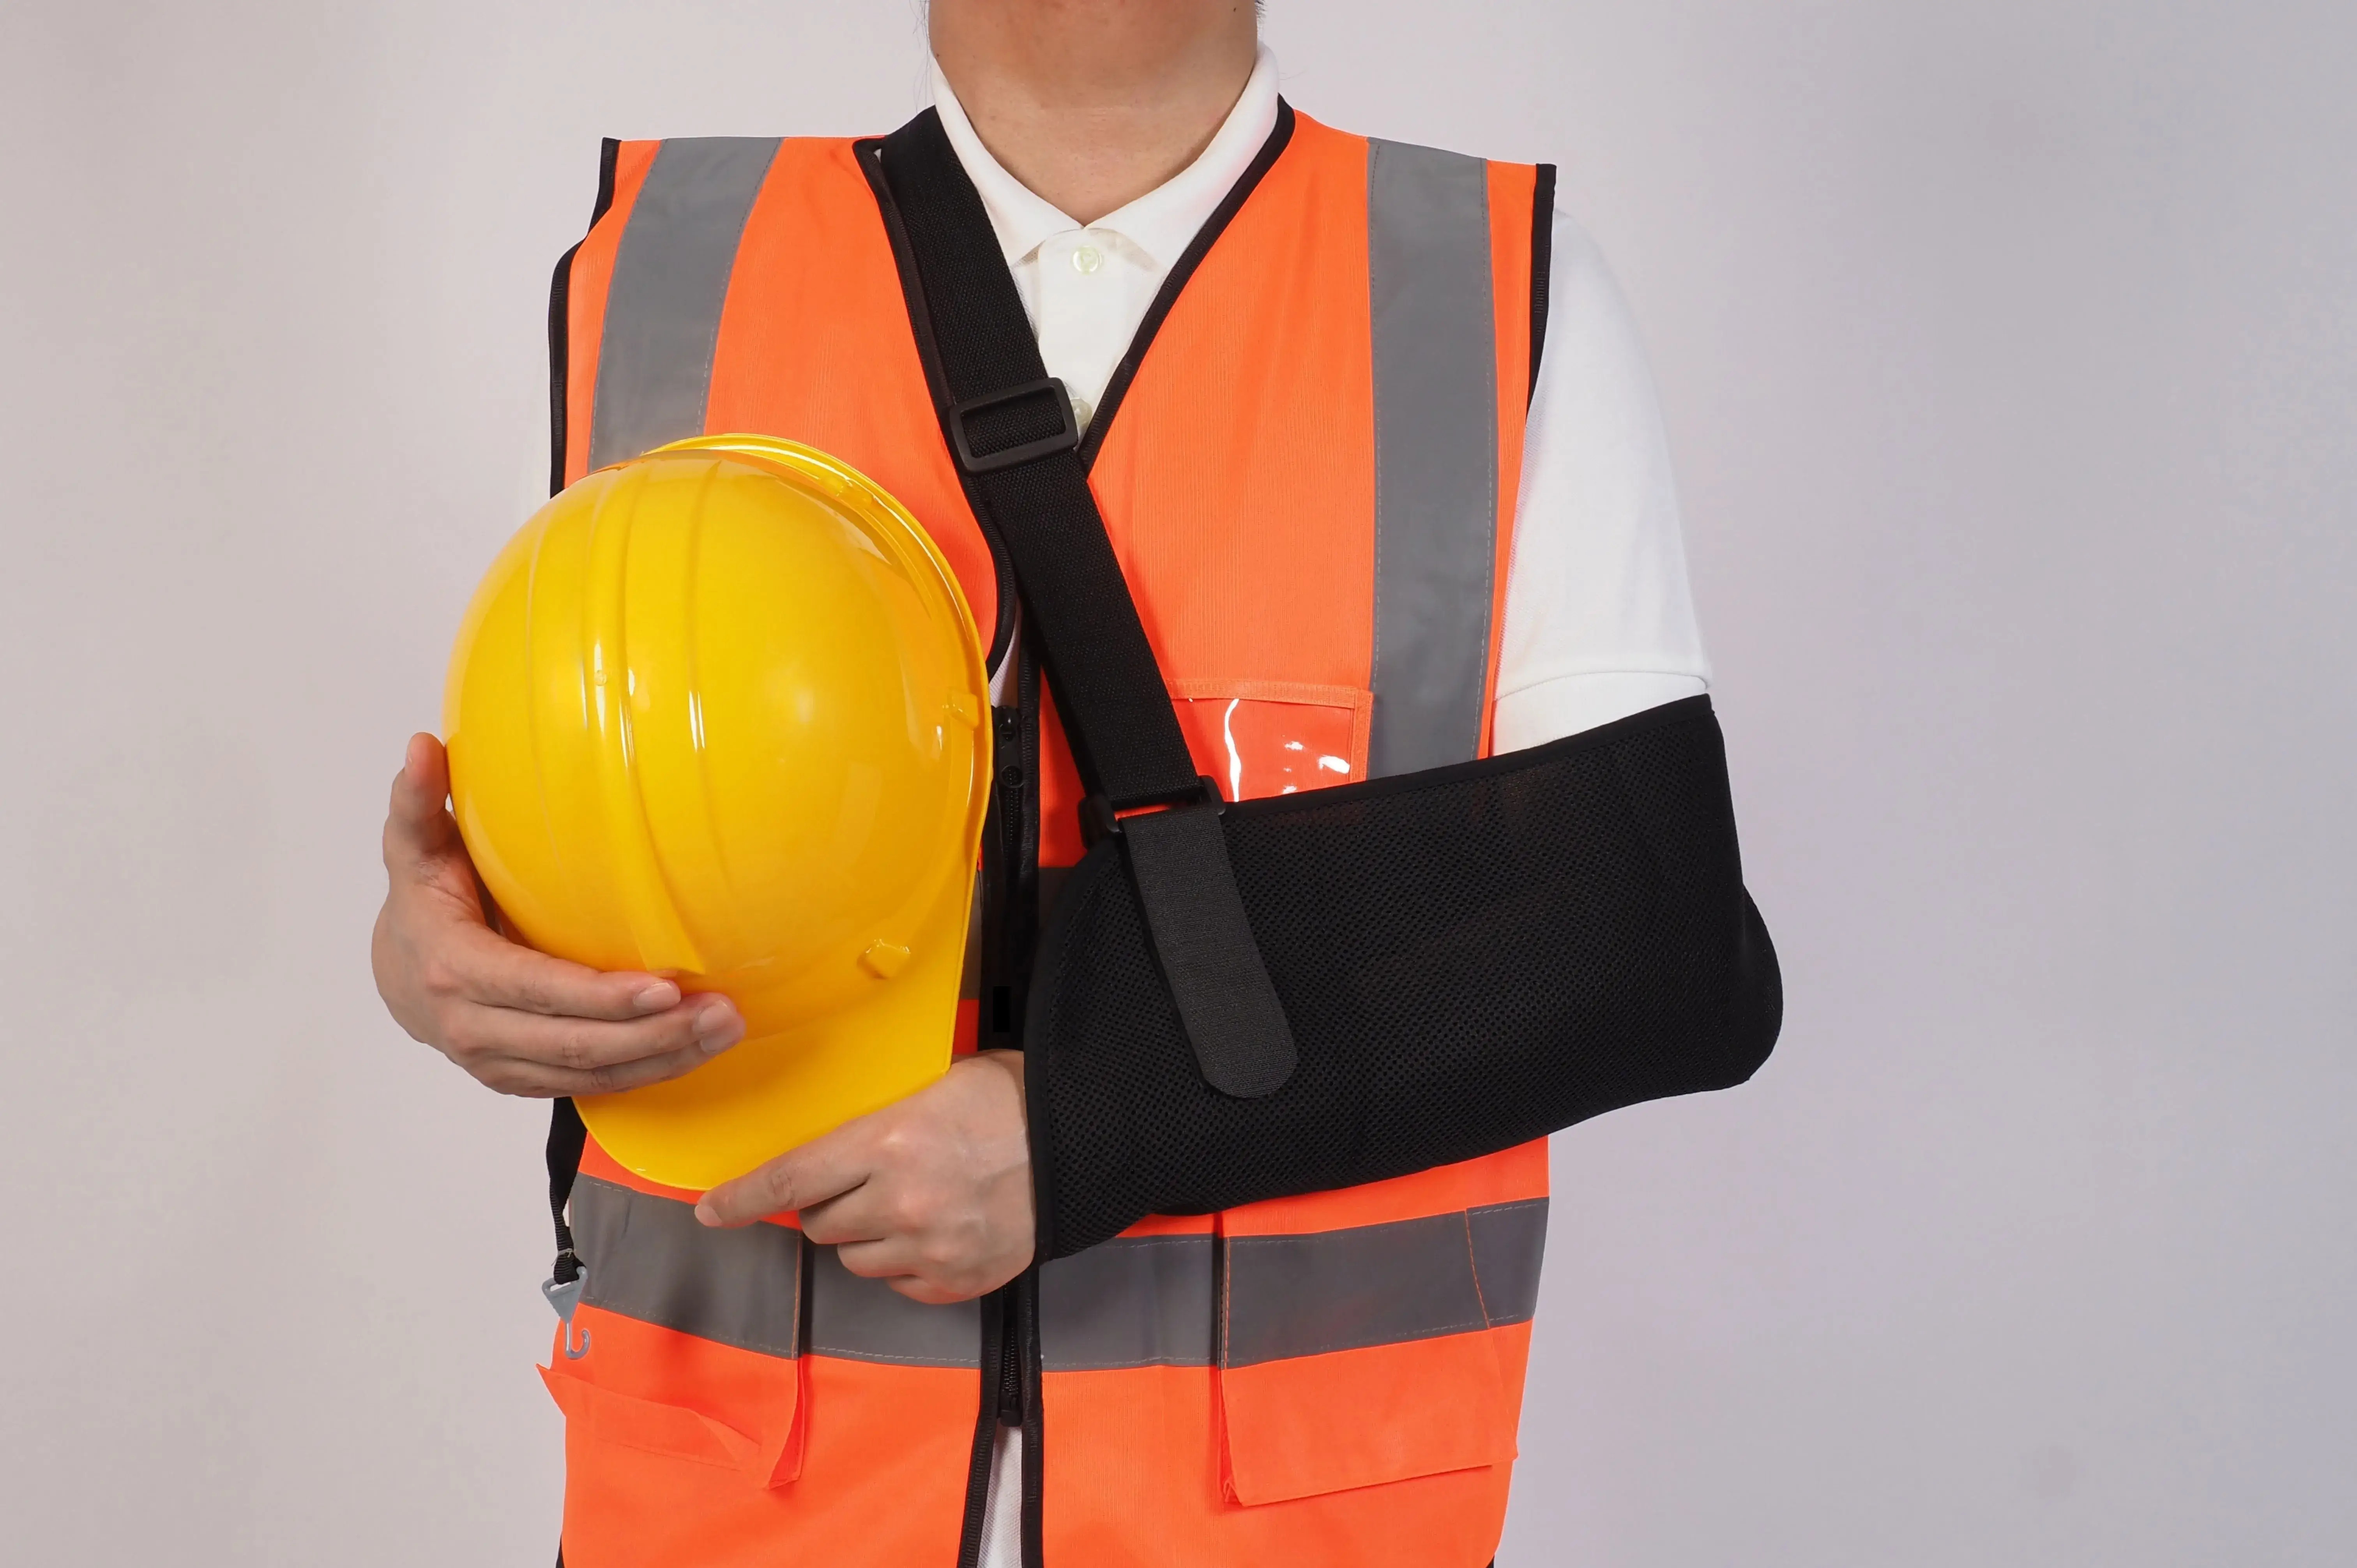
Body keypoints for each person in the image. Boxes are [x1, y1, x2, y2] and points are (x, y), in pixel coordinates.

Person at [373, 2, 1778, 1564]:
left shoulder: (1492, 285)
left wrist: (1090, 1121)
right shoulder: (654, 273)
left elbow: (1643, 935)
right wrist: (432, 957)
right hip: (731, 1502)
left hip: (1284, 1523)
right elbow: (542, 831)